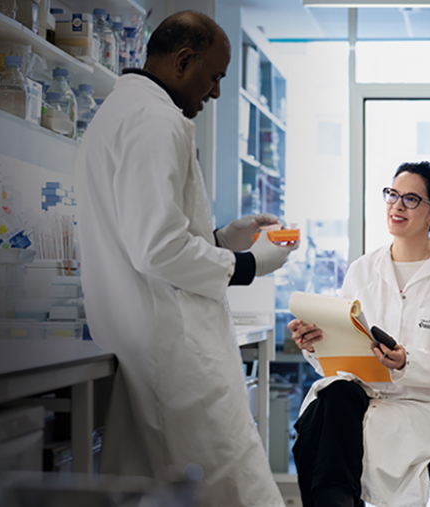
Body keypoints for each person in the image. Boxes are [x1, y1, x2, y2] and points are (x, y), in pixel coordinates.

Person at [77, 11, 296, 507]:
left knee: (157, 489)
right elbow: (157, 247)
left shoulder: (120, 112)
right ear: (182, 61)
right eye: (214, 76)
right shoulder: (158, 121)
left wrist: (221, 239)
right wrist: (250, 265)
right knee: (238, 491)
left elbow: (147, 233)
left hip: (148, 341)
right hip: (175, 352)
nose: (216, 92)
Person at [288, 162, 430, 507]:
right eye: (392, 195)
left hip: (422, 405)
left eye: (410, 199)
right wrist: (315, 345)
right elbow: (338, 358)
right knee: (333, 398)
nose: (396, 205)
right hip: (360, 394)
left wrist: (408, 361)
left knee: (324, 428)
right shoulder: (363, 269)